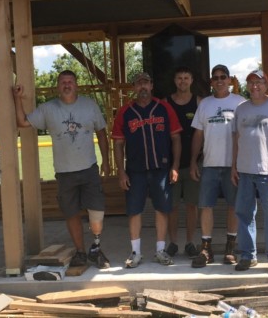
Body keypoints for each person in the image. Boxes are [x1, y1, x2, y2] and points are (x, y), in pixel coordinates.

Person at [13, 70, 111, 269]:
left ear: (77, 85)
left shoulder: (90, 106)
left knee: (97, 212)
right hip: (65, 173)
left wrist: (106, 162)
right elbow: (22, 122)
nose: (67, 85)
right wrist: (17, 98)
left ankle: (96, 247)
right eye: (63, 82)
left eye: (71, 82)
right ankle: (81, 252)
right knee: (71, 213)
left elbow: (102, 133)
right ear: (58, 86)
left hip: (89, 169)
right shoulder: (48, 109)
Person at [112, 72, 182, 268]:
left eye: (146, 83)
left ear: (152, 85)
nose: (142, 87)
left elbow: (176, 138)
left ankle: (160, 250)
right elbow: (118, 144)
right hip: (135, 170)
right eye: (138, 83)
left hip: (161, 168)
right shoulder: (125, 112)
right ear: (134, 87)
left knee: (162, 209)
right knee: (134, 210)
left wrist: (175, 166)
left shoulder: (164, 108)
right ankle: (135, 252)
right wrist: (121, 171)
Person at [189, 64, 246, 268]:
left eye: (223, 77)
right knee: (205, 206)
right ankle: (206, 249)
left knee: (234, 206)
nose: (220, 80)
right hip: (210, 165)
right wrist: (194, 161)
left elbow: (246, 134)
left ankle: (231, 247)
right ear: (211, 82)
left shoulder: (241, 103)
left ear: (230, 80)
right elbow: (198, 134)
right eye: (216, 78)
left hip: (234, 166)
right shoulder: (205, 104)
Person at [231, 69, 268, 276]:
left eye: (259, 82)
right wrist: (233, 167)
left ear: (266, 84)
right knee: (244, 214)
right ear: (247, 86)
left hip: (267, 171)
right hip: (244, 171)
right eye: (251, 83)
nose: (255, 86)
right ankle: (248, 256)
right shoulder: (241, 109)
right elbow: (235, 139)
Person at [163, 66, 202, 258]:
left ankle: (190, 242)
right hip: (170, 164)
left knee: (191, 205)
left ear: (192, 80)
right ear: (175, 81)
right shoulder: (165, 103)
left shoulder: (199, 103)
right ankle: (172, 243)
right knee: (172, 206)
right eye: (179, 78)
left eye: (186, 78)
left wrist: (197, 160)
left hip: (194, 162)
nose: (183, 81)